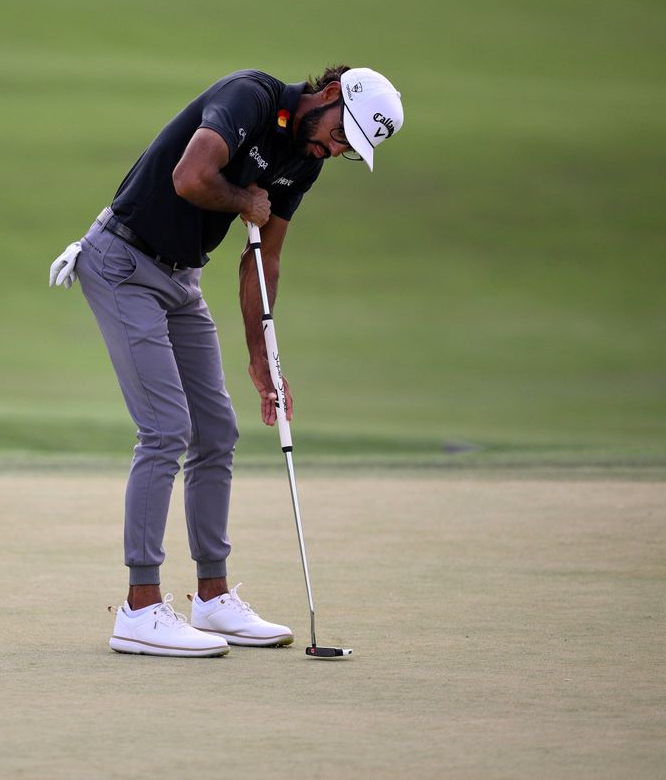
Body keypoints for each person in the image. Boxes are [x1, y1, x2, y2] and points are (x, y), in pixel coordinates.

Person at [49, 66, 404, 657]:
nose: (335, 149)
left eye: (348, 150)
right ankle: (139, 609)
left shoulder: (306, 160)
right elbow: (191, 177)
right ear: (333, 95)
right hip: (120, 262)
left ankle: (212, 597)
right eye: (343, 134)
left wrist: (263, 362)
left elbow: (260, 261)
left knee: (217, 430)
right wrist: (245, 199)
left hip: (180, 278)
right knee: (166, 429)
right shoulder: (254, 97)